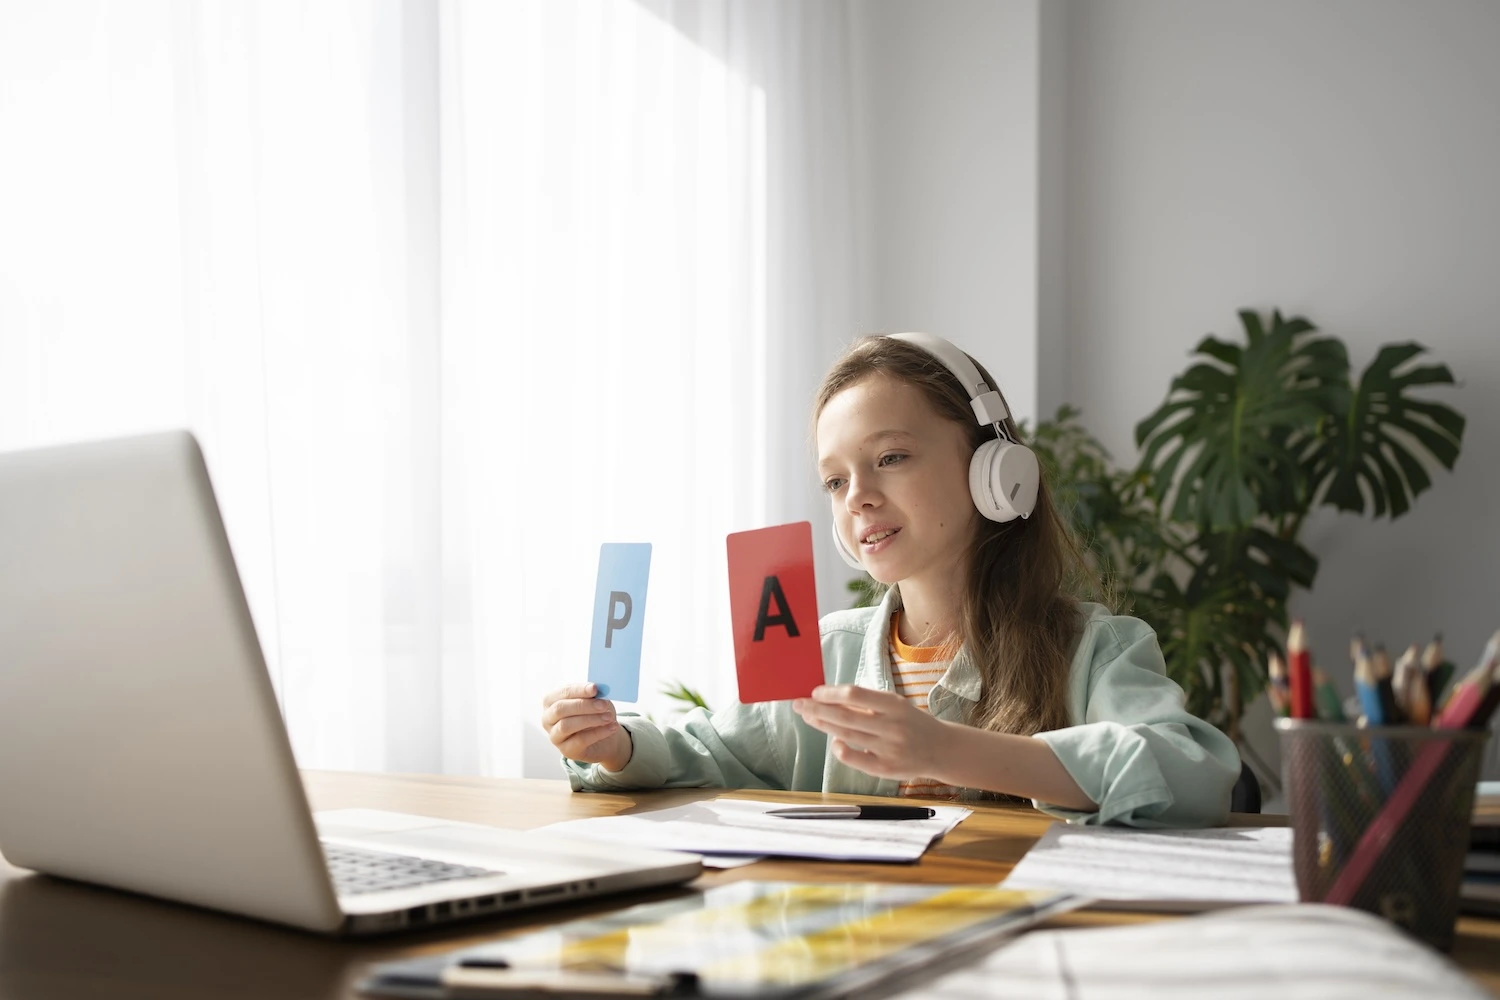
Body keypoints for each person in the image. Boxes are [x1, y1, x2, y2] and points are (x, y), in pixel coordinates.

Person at [540, 333, 1240, 827]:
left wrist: (944, 748)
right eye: (835, 480)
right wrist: (617, 746)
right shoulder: (818, 654)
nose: (858, 497)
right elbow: (713, 751)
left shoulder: (1096, 647)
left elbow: (1191, 769)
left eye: (892, 457)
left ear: (994, 470)